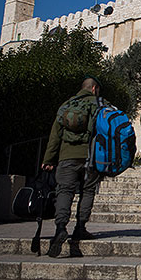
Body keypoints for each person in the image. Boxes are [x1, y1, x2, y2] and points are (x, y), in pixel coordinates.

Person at [41, 75, 105, 258]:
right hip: (92, 157)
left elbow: (55, 135)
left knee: (64, 191)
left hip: (67, 156)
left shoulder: (66, 105)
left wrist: (49, 159)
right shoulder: (100, 105)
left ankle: (60, 227)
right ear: (94, 89)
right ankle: (80, 227)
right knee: (88, 191)